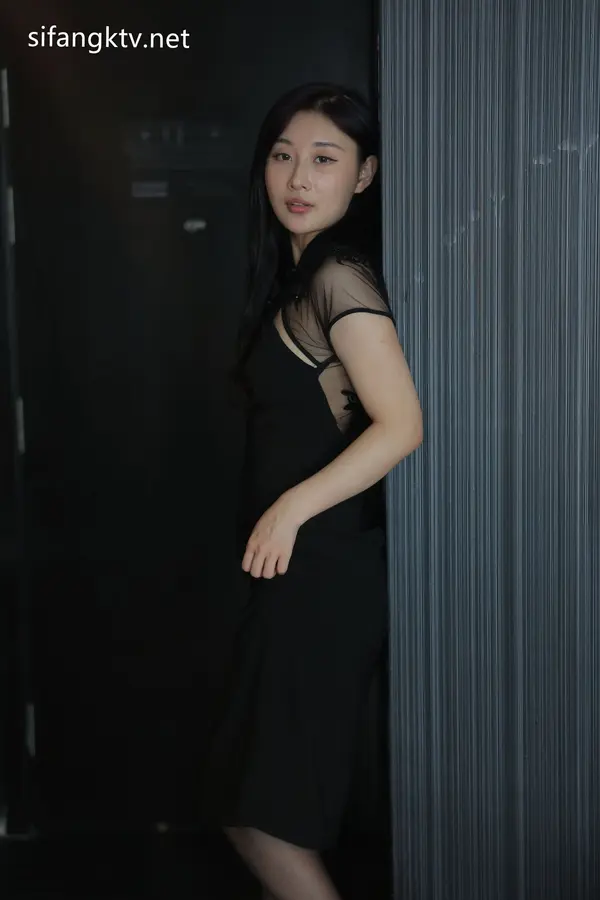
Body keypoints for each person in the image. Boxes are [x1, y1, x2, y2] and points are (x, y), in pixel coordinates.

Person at [202, 82, 423, 900]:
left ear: (363, 175)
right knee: (253, 807)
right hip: (297, 580)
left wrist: (290, 508)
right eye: (283, 155)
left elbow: (401, 425)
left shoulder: (337, 275)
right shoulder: (296, 280)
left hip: (323, 578)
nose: (299, 177)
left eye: (325, 159)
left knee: (262, 817)